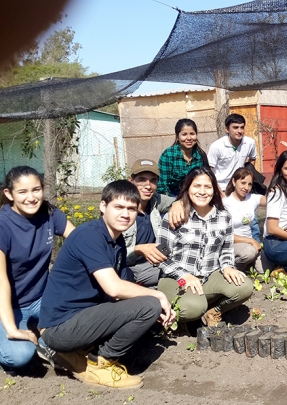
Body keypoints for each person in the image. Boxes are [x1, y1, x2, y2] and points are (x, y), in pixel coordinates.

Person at [39, 181, 174, 389]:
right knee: (150, 305)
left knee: (146, 317)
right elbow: (113, 288)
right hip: (60, 326)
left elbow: (119, 293)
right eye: (118, 207)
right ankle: (99, 363)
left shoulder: (117, 241)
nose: (125, 214)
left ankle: (84, 353)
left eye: (131, 209)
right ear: (103, 206)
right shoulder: (89, 235)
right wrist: (159, 296)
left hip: (84, 317)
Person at [156, 167, 252, 328]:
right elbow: (161, 254)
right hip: (175, 278)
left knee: (244, 286)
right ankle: (180, 322)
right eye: (196, 186)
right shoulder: (174, 215)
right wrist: (183, 275)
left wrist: (227, 266)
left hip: (209, 276)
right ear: (188, 188)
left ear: (214, 190)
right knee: (192, 308)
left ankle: (212, 312)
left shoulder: (223, 216)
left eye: (207, 187)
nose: (202, 191)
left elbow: (226, 249)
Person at [0, 167, 74, 374]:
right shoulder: (3, 225)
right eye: (22, 192)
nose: (31, 198)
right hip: (8, 305)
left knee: (80, 329)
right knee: (19, 356)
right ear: (9, 194)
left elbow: (78, 242)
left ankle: (39, 330)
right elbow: (1, 281)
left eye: (36, 190)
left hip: (43, 298)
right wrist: (12, 329)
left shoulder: (50, 214)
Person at [124, 159, 176, 288]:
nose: (148, 186)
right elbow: (109, 254)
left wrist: (178, 204)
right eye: (142, 180)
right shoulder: (121, 210)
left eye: (153, 180)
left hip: (154, 264)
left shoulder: (155, 201)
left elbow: (181, 201)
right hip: (129, 268)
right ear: (131, 181)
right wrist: (137, 250)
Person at [223, 168, 267, 272]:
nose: (246, 187)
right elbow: (224, 234)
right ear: (234, 182)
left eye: (249, 184)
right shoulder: (225, 203)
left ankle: (247, 265)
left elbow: (272, 201)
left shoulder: (252, 198)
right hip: (232, 244)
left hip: (250, 245)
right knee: (249, 252)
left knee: (266, 268)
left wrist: (277, 189)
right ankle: (235, 270)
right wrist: (250, 241)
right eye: (243, 183)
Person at [207, 114, 257, 192]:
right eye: (235, 127)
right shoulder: (216, 146)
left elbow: (252, 158)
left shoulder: (250, 143)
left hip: (239, 187)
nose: (240, 131)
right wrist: (220, 193)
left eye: (242, 127)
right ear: (227, 129)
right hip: (221, 187)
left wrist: (247, 177)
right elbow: (209, 171)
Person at [158, 118, 208, 196]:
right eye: (184, 134)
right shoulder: (168, 155)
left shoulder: (200, 155)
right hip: (173, 196)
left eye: (192, 134)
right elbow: (163, 185)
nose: (189, 138)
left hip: (196, 194)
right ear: (177, 136)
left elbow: (205, 180)